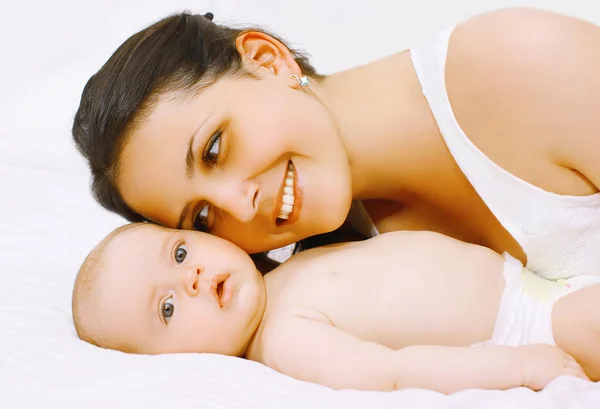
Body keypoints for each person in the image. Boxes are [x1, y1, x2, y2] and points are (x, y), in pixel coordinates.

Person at [72, 7, 600, 277]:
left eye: (214, 149)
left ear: (267, 59)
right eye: (203, 219)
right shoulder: (335, 276)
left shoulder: (516, 63)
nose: (239, 205)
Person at [72, 223, 597, 393]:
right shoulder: (284, 339)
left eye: (180, 252)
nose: (189, 278)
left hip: (540, 283)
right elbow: (391, 373)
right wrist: (518, 366)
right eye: (166, 309)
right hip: (531, 328)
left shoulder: (284, 269)